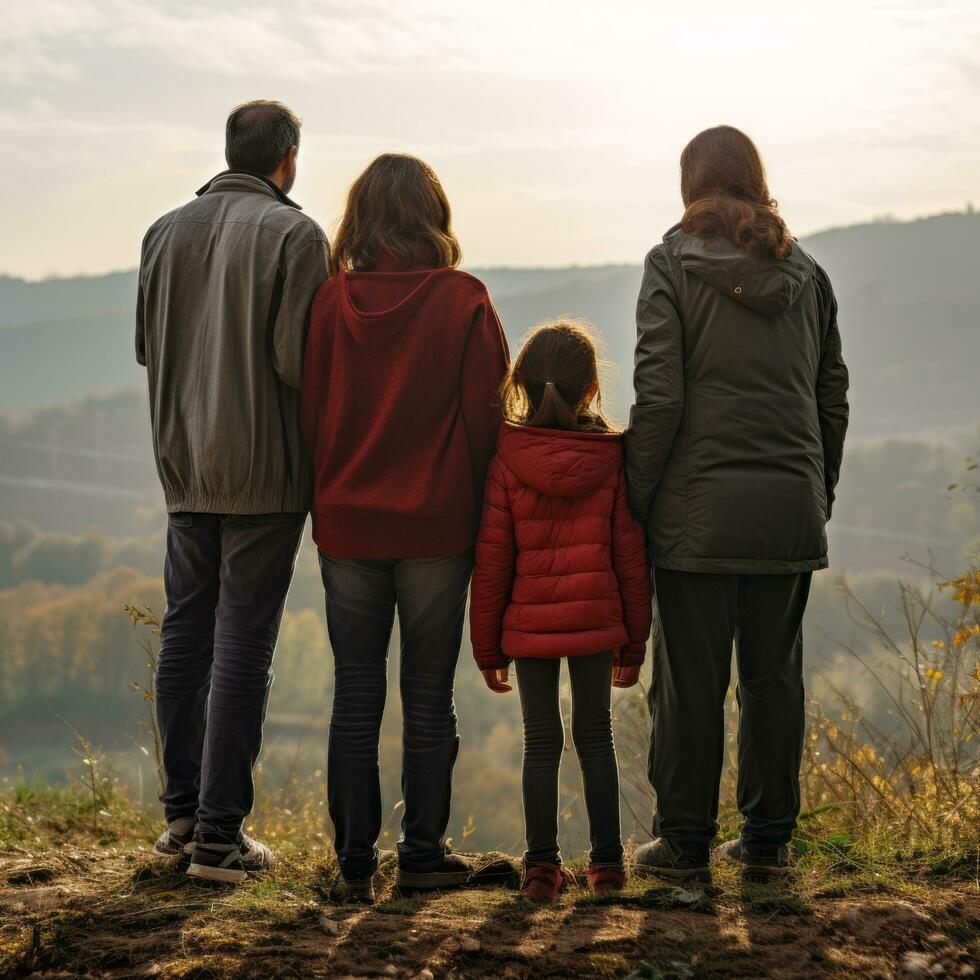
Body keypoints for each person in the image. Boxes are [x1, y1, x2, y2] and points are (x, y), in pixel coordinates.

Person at [625, 125, 849, 880]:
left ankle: (683, 842)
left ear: (690, 185)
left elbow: (658, 397)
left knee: (690, 684)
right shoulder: (809, 274)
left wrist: (638, 498)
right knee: (773, 678)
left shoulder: (668, 266)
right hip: (789, 506)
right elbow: (831, 398)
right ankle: (767, 844)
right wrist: (817, 493)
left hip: (695, 514)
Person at [301, 153, 509, 901]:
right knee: (427, 695)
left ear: (362, 218)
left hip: (349, 524)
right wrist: (493, 522)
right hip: (436, 526)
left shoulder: (330, 304)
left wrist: (326, 497)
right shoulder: (464, 301)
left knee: (355, 694)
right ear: (434, 214)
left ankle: (354, 867)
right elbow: (489, 424)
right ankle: (422, 858)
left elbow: (311, 415)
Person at [137, 100, 329, 883]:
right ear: (287, 157)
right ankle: (221, 836)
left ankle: (181, 818)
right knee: (243, 643)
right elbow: (297, 363)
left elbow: (150, 350)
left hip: (184, 461)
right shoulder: (297, 236)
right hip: (264, 471)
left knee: (186, 632)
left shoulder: (162, 232)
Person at [469, 320, 652, 903]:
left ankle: (542, 869)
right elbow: (630, 556)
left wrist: (487, 647)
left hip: (528, 627)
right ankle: (606, 867)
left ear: (519, 386)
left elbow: (492, 563)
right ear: (593, 390)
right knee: (596, 736)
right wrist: (635, 639)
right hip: (597, 620)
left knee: (540, 741)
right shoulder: (611, 460)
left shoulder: (507, 460)